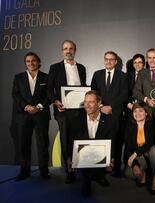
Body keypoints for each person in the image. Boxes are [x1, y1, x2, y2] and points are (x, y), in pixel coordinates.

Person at [47, 40, 87, 183]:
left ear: (75, 50)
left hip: (80, 111)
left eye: (70, 48)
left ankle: (80, 167)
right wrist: (56, 101)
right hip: (62, 110)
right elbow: (48, 89)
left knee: (79, 140)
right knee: (65, 140)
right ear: (62, 51)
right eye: (65, 48)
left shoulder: (81, 68)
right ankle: (69, 171)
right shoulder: (55, 68)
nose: (68, 51)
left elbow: (83, 88)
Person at [68, 90, 115, 196]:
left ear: (99, 104)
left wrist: (110, 159)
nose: (87, 105)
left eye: (91, 102)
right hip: (84, 156)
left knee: (106, 164)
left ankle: (99, 176)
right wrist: (70, 158)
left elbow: (112, 142)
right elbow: (71, 142)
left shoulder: (109, 121)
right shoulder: (76, 121)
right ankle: (87, 181)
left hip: (100, 154)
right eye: (85, 102)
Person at [12, 52, 51, 181]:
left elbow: (49, 96)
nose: (31, 63)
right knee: (24, 144)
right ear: (25, 63)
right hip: (23, 115)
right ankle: (24, 171)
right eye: (28, 61)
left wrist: (39, 107)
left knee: (43, 143)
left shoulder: (46, 77)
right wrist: (27, 106)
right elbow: (16, 95)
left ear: (38, 62)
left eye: (33, 60)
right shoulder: (18, 77)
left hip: (41, 115)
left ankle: (44, 171)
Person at [91, 51, 128, 177]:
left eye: (111, 59)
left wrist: (111, 106)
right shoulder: (97, 74)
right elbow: (93, 93)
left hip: (116, 114)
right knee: (101, 141)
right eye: (106, 59)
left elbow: (124, 95)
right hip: (100, 113)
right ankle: (100, 169)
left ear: (116, 62)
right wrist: (101, 106)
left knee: (116, 142)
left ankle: (116, 168)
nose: (108, 61)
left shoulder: (123, 76)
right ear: (104, 60)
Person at [124, 103, 155, 195]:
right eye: (135, 111)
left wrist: (134, 154)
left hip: (149, 151)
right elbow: (128, 146)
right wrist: (135, 165)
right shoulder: (129, 126)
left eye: (141, 111)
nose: (137, 113)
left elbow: (150, 143)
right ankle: (143, 173)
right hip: (139, 155)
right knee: (129, 173)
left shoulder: (152, 124)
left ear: (146, 113)